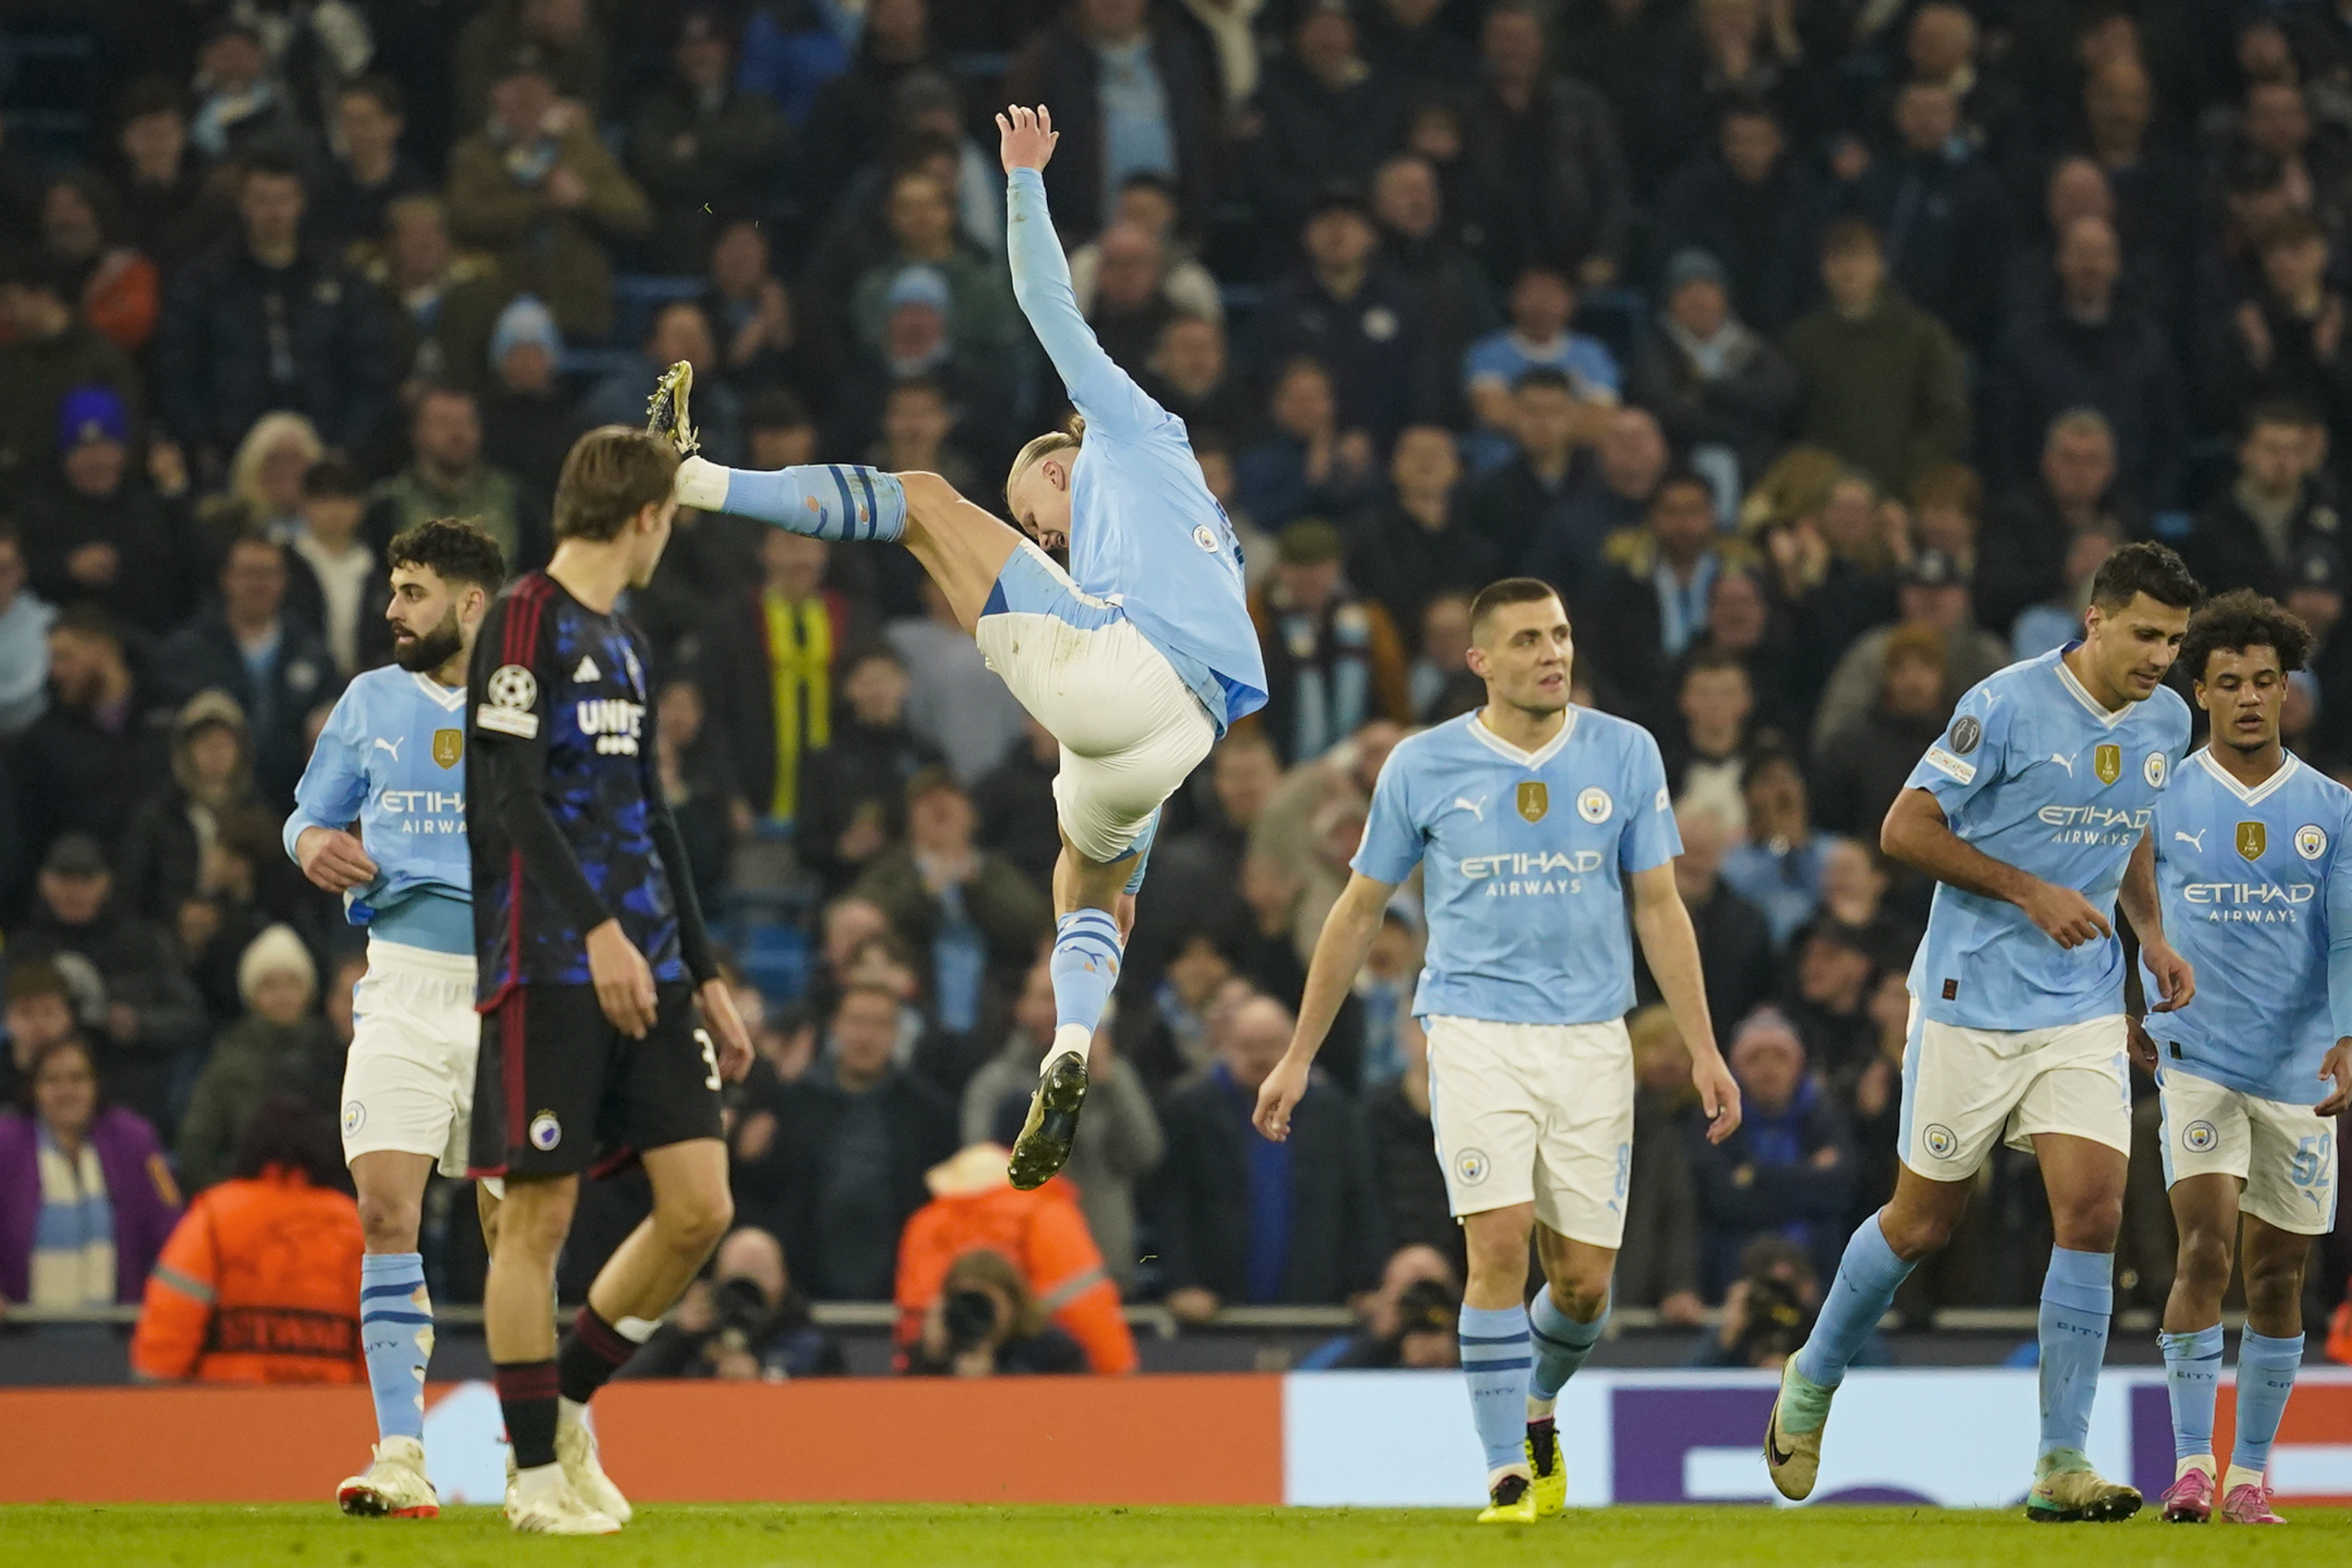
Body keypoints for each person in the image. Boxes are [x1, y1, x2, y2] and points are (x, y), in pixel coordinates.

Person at [673, 105, 1266, 1195]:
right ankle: (1073, 1040)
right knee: (1092, 885)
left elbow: (1046, 302)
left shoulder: (1128, 432)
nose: (1041, 531)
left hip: (1123, 668)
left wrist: (1026, 179)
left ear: (1060, 455)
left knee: (922, 499)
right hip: (1177, 729)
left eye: (1034, 504)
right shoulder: (1191, 524)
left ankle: (691, 477)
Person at [1255, 577, 1742, 1525]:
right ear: (1480, 660)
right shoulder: (1422, 765)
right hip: (1473, 1031)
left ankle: (1539, 1405)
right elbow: (1360, 910)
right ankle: (1502, 1472)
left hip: (1594, 1039)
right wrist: (1299, 1053)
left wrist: (1704, 1047)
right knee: (1498, 1244)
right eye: (1526, 640)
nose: (1551, 653)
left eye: (1559, 634)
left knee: (1585, 1287)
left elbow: (1657, 905)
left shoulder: (1626, 753)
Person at [1765, 543, 2205, 1522]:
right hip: (1969, 995)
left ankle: (2061, 1457)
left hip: (2082, 1003)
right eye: (2145, 634)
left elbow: (2129, 820)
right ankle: (1815, 1370)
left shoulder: (2169, 719)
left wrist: (2152, 936)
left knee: (2091, 1211)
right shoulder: (2004, 703)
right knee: (1923, 1222)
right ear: (2095, 620)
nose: (2160, 657)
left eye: (2174, 641)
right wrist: (2029, 889)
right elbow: (1903, 828)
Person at [463, 427, 753, 1535]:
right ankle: (533, 1476)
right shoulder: (522, 617)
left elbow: (655, 816)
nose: (667, 538)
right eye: (670, 518)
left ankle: (569, 1404)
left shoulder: (626, 644)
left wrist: (707, 972)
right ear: (645, 516)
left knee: (699, 1206)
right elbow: (510, 798)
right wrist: (597, 933)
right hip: (554, 959)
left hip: (652, 966)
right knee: (538, 1214)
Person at [279, 519, 507, 1518]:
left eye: (412, 591)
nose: (391, 610)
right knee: (385, 1215)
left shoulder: (529, 704)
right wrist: (309, 846)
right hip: (403, 985)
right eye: (391, 590)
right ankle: (401, 1453)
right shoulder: (369, 700)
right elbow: (305, 814)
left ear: (469, 603)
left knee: (519, 1230)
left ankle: (540, 1450)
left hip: (506, 988)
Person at [2140, 591, 2352, 1526]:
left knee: (2277, 1278)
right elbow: (2127, 910)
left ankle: (2251, 1476)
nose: (2250, 699)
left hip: (2301, 1071)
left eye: (2265, 681)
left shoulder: (2332, 808)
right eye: (2228, 683)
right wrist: (2124, 1004)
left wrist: (2348, 1036)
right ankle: (2191, 1466)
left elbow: (2345, 939)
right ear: (2201, 694)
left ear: (2286, 690)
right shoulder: (2162, 792)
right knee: (2205, 1246)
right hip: (2199, 1057)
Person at [130, 1095, 365, 1385]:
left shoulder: (215, 1216)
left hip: (227, 1417)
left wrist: (152, 1398)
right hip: (332, 1415)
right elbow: (385, 1343)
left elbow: (168, 1330)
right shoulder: (354, 1224)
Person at [0, 1036, 181, 1310]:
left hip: (117, 1335)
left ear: (96, 1084)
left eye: (78, 1079)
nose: (66, 1091)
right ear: (33, 1089)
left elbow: (171, 1228)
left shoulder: (134, 1141)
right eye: (52, 1080)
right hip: (19, 1340)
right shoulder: (7, 1145)